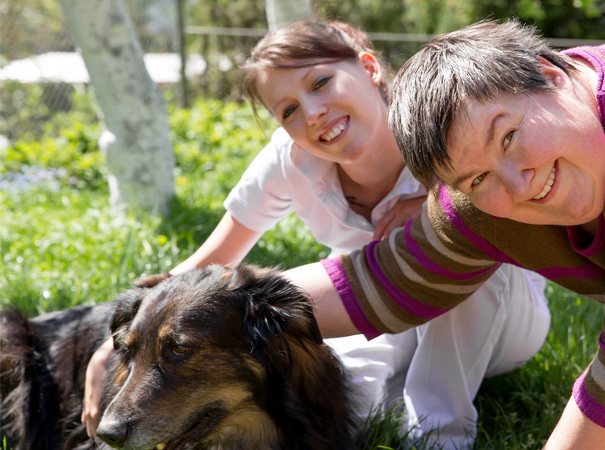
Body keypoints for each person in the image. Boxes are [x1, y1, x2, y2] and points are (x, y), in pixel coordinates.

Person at [280, 20, 605, 450]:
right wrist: (227, 308)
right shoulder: (484, 187)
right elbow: (386, 281)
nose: (519, 184)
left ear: (551, 75)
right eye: (478, 180)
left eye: (509, 136)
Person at [82, 21, 551, 450]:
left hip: (500, 316)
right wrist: (114, 346)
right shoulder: (290, 160)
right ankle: (397, 407)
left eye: (321, 82)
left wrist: (441, 208)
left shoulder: (434, 125)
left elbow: (512, 209)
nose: (312, 113)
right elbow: (210, 263)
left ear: (368, 68)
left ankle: (439, 433)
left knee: (460, 252)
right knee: (340, 401)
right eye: (288, 110)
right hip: (380, 306)